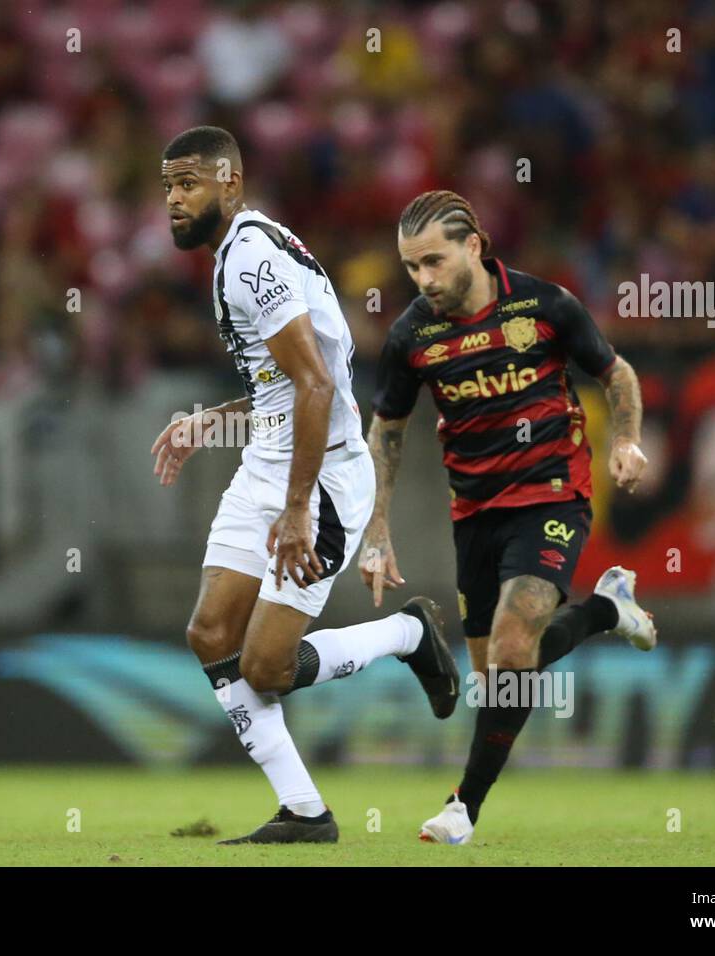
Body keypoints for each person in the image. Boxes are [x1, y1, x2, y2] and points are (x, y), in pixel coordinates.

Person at [150, 127, 461, 845]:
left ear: (230, 183)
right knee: (208, 633)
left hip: (316, 482)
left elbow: (319, 381)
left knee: (266, 667)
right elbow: (282, 385)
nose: (174, 199)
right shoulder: (246, 249)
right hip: (267, 460)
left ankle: (408, 634)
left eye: (189, 183)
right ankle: (305, 812)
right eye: (168, 186)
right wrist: (212, 421)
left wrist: (295, 510)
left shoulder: (250, 258)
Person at [361, 190, 657, 845]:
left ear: (476, 246)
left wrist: (626, 439)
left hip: (552, 493)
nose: (424, 280)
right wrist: (376, 525)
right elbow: (387, 430)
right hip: (473, 510)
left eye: (434, 262)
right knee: (497, 676)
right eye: (412, 268)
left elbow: (617, 374)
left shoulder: (544, 306)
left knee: (514, 642)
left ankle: (462, 807)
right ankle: (606, 610)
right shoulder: (412, 334)